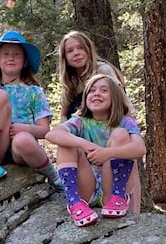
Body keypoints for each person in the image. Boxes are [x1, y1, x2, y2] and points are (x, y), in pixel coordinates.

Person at [57, 30, 142, 212]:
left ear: (89, 50)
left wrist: (127, 127)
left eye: (80, 48)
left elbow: (122, 103)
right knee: (67, 145)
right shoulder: (70, 80)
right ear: (65, 57)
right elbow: (63, 115)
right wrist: (74, 136)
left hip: (112, 128)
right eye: (70, 50)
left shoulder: (103, 70)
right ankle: (77, 201)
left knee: (126, 155)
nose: (76, 53)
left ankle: (134, 214)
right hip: (84, 132)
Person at [46, 73, 146, 227]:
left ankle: (117, 197)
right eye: (91, 91)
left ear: (115, 98)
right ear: (86, 97)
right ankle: (74, 203)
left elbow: (140, 148)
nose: (97, 94)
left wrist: (107, 153)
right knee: (66, 142)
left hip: (112, 186)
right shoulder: (80, 121)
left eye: (104, 90)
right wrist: (84, 144)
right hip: (88, 188)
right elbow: (52, 134)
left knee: (120, 134)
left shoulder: (125, 122)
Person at [0, 30, 62, 188]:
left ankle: (54, 177)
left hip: (21, 150)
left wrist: (26, 128)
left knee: (23, 139)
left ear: (24, 61)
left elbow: (45, 131)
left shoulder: (34, 92)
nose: (11, 57)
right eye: (6, 54)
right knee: (0, 96)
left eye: (17, 54)